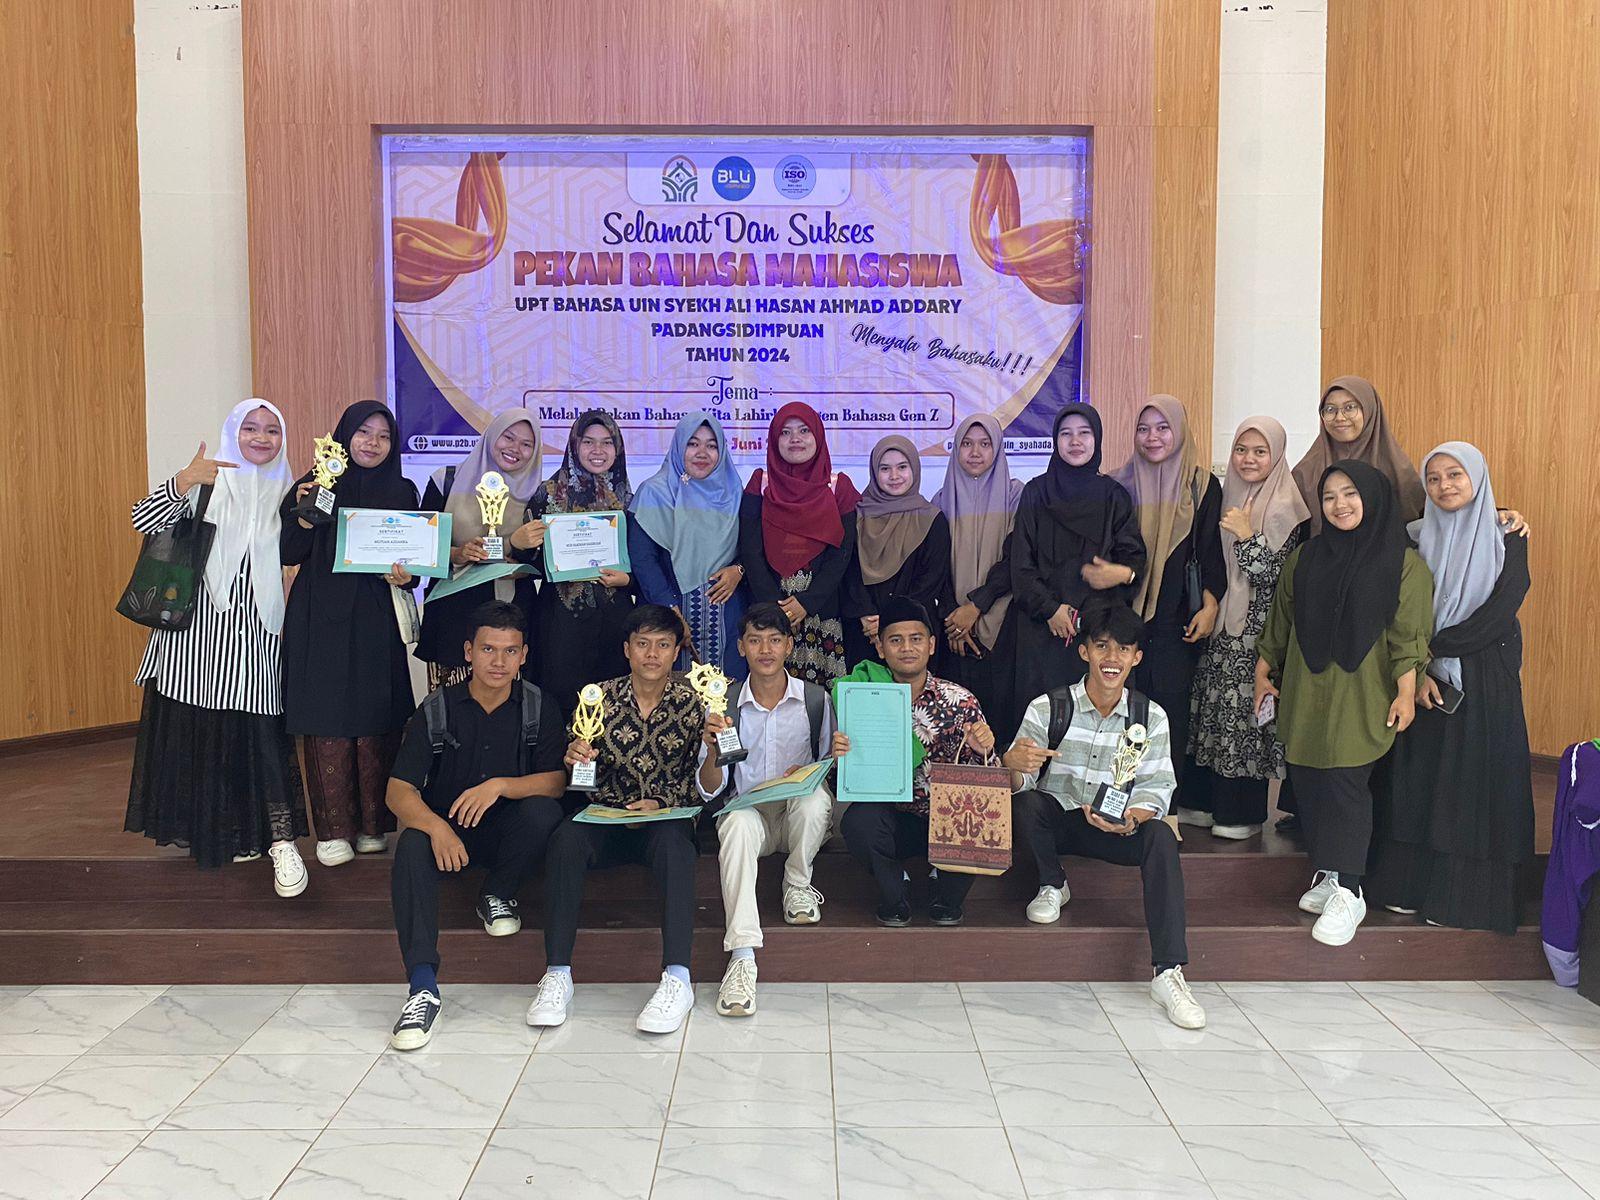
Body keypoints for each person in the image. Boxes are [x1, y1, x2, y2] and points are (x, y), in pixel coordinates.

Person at [125, 399, 310, 896]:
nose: (261, 438)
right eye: (250, 428)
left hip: (259, 633)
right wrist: (183, 480)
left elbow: (297, 550)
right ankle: (222, 834)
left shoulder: (287, 492)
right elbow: (143, 521)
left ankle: (281, 842)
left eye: (272, 430)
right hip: (196, 635)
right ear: (233, 432)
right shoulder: (207, 482)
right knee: (204, 735)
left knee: (260, 737)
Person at [1255, 462, 1434, 947]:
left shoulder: (1403, 564)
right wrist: (1263, 669)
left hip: (1363, 690)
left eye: (1350, 493)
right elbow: (1281, 618)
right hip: (1306, 687)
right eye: (1330, 496)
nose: (1339, 505)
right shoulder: (1307, 557)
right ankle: (1330, 872)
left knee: (1345, 783)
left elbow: (1408, 636)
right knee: (1309, 777)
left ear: (1372, 498)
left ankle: (1350, 891)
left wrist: (1405, 691)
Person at [1004, 601, 1205, 1029]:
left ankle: (1168, 971)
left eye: (1123, 649)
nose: (1112, 658)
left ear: (1137, 658)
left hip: (1116, 826)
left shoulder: (1150, 717)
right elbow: (1022, 784)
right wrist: (1012, 766)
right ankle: (1052, 884)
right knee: (1028, 803)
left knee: (1162, 837)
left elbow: (1158, 787)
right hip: (1059, 821)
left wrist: (1131, 819)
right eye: (1102, 646)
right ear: (1084, 651)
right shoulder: (1049, 707)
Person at [383, 601, 568, 1050]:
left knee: (544, 813)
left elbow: (556, 782)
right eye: (488, 649)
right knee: (410, 846)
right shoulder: (437, 708)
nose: (498, 661)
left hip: (510, 838)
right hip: (449, 837)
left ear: (523, 655)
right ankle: (422, 987)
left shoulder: (539, 706)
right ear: (468, 652)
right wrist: (436, 828)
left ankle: (497, 893)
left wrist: (500, 786)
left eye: (510, 651)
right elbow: (398, 791)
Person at [527, 604, 715, 1035]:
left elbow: (703, 786)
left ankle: (678, 977)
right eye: (643, 644)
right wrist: (577, 758)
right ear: (627, 649)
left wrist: (666, 797)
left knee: (676, 846)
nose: (652, 654)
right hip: (606, 816)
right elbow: (581, 779)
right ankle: (557, 974)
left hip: (665, 817)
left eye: (663, 645)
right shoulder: (598, 698)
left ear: (676, 652)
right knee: (565, 839)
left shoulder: (695, 704)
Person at [1368, 443, 1533, 933]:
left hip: (1484, 678)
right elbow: (1397, 607)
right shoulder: (1412, 538)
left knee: (1472, 783)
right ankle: (1407, 887)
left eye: (1455, 474)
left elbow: (1501, 608)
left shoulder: (1508, 536)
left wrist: (1429, 650)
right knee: (1419, 780)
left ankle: (1461, 900)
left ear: (1477, 478)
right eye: (1434, 478)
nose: (1444, 486)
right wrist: (1416, 665)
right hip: (1420, 677)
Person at [280, 400, 419, 868]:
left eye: (383, 436)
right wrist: (306, 510)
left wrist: (408, 576)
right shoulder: (315, 483)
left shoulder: (402, 490)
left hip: (377, 617)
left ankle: (374, 826)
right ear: (344, 436)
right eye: (363, 432)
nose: (372, 443)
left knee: (375, 714)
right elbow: (289, 550)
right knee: (327, 716)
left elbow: (415, 561)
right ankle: (333, 830)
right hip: (321, 615)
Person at [699, 602, 847, 1018]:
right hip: (751, 821)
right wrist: (712, 752)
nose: (765, 649)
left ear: (789, 646)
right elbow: (708, 789)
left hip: (798, 819)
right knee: (736, 823)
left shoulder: (814, 700)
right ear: (740, 647)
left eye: (775, 640)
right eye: (755, 640)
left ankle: (797, 883)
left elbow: (828, 771)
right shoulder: (723, 704)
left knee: (815, 799)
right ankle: (742, 955)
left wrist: (831, 760)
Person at [1180, 417, 1310, 839]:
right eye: (1241, 450)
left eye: (1259, 451)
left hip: (1259, 635)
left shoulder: (1290, 507)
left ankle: (1242, 814)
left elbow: (1276, 577)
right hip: (1220, 630)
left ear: (1277, 455)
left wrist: (1247, 535)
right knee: (1211, 715)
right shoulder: (1224, 497)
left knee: (1245, 723)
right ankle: (1202, 802)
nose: (1248, 459)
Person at [838, 597, 997, 927]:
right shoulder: (862, 696)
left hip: (947, 819)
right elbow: (844, 780)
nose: (907, 648)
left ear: (932, 645)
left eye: (916, 639)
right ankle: (896, 890)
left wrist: (984, 750)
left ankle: (946, 893)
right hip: (892, 820)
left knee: (975, 815)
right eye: (896, 640)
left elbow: (989, 782)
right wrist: (839, 755)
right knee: (858, 823)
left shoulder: (959, 700)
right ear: (881, 648)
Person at [1109, 396, 1225, 805]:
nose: (1152, 437)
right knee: (1124, 716)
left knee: (1170, 717)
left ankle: (1164, 809)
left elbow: (1211, 552)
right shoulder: (1118, 485)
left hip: (1177, 623)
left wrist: (1210, 605)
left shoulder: (1201, 485)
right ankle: (1119, 804)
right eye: (1143, 429)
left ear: (1180, 431)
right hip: (1124, 620)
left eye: (1163, 428)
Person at [1009, 403, 1146, 733]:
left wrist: (1118, 575)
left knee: (1095, 728)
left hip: (1097, 632)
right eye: (1065, 434)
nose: (1075, 441)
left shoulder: (1114, 496)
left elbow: (1133, 560)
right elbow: (1020, 565)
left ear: (1097, 439)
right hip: (1042, 630)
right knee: (1041, 727)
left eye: (1084, 433)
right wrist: (1051, 610)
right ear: (1055, 440)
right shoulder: (1035, 493)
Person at [512, 410, 636, 720]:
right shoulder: (547, 495)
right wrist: (519, 544)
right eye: (588, 442)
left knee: (613, 710)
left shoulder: (630, 500)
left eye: (607, 442)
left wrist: (628, 580)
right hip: (559, 625)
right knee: (559, 711)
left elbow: (644, 563)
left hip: (614, 624)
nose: (598, 450)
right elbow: (530, 564)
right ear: (574, 445)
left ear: (618, 448)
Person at [416, 409, 544, 690]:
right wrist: (457, 554)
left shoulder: (540, 493)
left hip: (512, 613)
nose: (515, 449)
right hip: (452, 613)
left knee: (510, 706)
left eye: (526, 444)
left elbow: (543, 562)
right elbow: (422, 547)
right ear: (491, 436)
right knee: (450, 705)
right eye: (508, 437)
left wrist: (519, 554)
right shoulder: (445, 480)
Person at [738, 402, 861, 685]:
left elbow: (842, 554)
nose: (795, 439)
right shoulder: (760, 484)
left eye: (804, 430)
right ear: (774, 440)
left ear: (818, 436)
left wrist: (807, 602)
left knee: (823, 699)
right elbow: (751, 551)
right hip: (769, 610)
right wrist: (776, 609)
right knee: (769, 689)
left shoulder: (837, 487)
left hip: (821, 609)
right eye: (785, 432)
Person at [628, 410, 748, 680]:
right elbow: (643, 560)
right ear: (679, 447)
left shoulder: (734, 492)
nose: (702, 453)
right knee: (669, 694)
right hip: (665, 614)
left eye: (711, 445)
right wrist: (671, 611)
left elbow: (751, 548)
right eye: (692, 444)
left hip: (725, 617)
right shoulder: (654, 492)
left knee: (726, 693)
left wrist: (738, 570)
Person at [937, 413, 1025, 746]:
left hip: (1002, 625)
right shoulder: (941, 500)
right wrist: (953, 620)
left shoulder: (1016, 496)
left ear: (997, 448)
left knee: (998, 724)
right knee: (955, 726)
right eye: (967, 444)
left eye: (985, 444)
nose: (975, 452)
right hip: (953, 631)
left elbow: (1016, 559)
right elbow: (936, 570)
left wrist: (975, 607)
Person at [843, 434, 954, 668]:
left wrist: (889, 621)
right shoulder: (857, 516)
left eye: (902, 467)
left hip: (912, 632)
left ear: (914, 468)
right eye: (885, 469)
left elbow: (930, 581)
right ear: (874, 472)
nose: (894, 476)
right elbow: (849, 572)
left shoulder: (932, 519)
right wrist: (866, 615)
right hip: (864, 632)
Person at [1291, 376, 1426, 534]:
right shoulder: (1305, 472)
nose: (1339, 418)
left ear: (1369, 410)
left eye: (1349, 407)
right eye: (1330, 409)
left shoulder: (1398, 470)